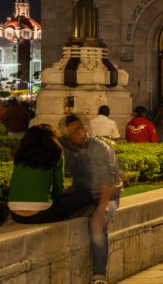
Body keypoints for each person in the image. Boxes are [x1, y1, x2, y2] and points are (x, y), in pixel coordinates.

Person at [62, 113, 122, 284]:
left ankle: (99, 276)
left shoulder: (100, 148)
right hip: (82, 194)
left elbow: (108, 182)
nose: (75, 135)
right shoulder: (69, 149)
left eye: (78, 130)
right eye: (71, 133)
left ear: (84, 129)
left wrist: (101, 211)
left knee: (97, 227)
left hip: (107, 196)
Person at [7, 124, 94, 225]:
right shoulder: (56, 154)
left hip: (16, 215)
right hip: (40, 215)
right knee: (87, 194)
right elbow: (58, 190)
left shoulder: (21, 156)